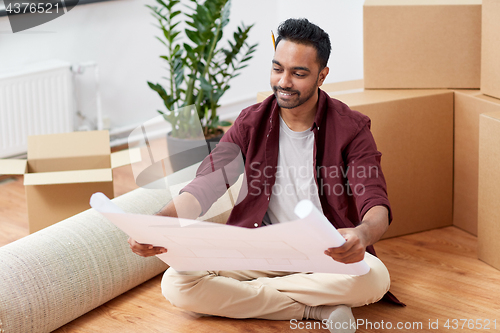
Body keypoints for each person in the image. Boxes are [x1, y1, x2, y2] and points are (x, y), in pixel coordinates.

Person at [129, 18, 401, 333]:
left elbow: (374, 200)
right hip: (260, 247)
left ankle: (278, 299)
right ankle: (315, 307)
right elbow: (207, 184)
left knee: (375, 278)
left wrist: (363, 235)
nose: (284, 81)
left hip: (326, 253)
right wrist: (157, 223)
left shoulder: (351, 128)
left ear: (322, 76)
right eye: (277, 68)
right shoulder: (251, 122)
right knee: (177, 283)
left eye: (299, 73)